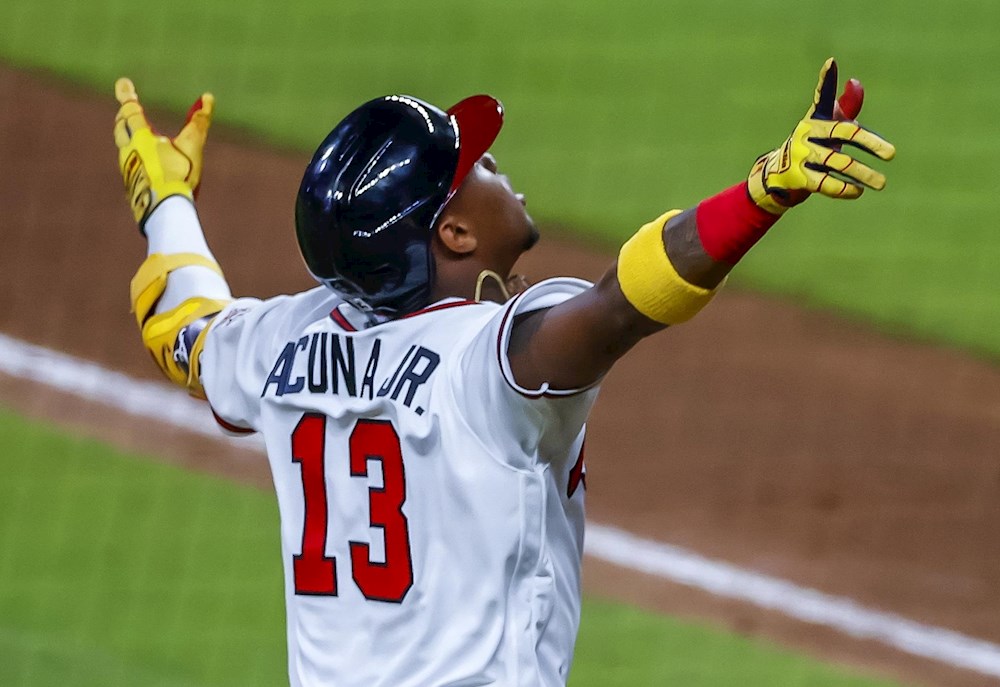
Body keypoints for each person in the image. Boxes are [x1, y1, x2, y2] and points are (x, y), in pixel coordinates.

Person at [112, 58, 894, 686]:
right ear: (452, 231)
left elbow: (185, 327)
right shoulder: (482, 364)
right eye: (471, 166)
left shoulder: (284, 343)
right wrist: (764, 193)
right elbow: (621, 305)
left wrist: (165, 203)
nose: (490, 160)